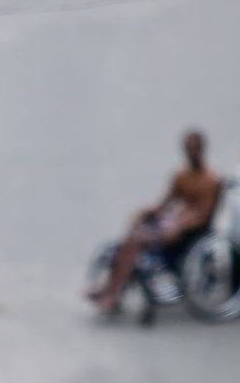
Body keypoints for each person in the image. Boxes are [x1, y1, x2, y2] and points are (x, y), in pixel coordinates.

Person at [92, 130, 222, 316]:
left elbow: (203, 215)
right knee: (131, 238)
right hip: (172, 224)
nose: (191, 153)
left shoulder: (211, 181)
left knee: (137, 241)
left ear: (202, 149)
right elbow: (164, 203)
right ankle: (111, 288)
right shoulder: (181, 176)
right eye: (188, 149)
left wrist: (179, 225)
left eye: (194, 148)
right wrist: (145, 212)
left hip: (189, 232)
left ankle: (113, 292)